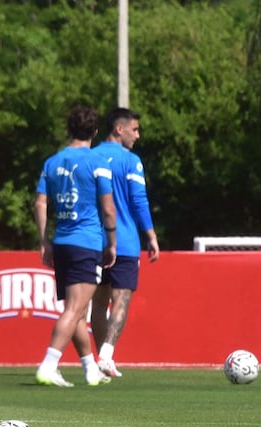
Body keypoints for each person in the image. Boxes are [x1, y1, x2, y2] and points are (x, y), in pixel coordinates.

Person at [33, 106, 117, 387]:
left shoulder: (52, 162)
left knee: (75, 309)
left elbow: (40, 203)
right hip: (87, 242)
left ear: (69, 129)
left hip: (63, 242)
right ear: (95, 131)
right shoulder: (98, 161)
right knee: (75, 310)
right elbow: (107, 208)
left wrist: (44, 240)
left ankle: (90, 368)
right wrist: (112, 242)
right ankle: (48, 364)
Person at [90, 108, 160, 378]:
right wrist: (151, 235)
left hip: (94, 240)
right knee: (121, 298)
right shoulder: (131, 161)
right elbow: (139, 200)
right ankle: (106, 355)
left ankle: (99, 361)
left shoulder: (91, 156)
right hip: (125, 240)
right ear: (119, 129)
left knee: (98, 302)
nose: (138, 135)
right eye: (135, 129)